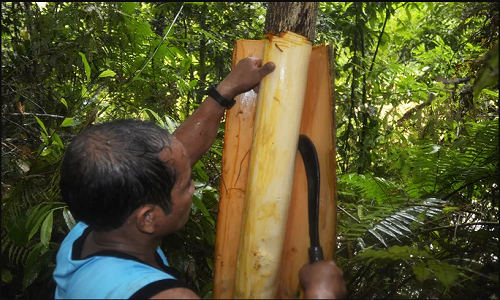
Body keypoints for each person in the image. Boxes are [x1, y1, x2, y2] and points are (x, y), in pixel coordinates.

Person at [53, 57, 346, 299]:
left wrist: (225, 90)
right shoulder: (167, 297)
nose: (193, 189)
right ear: (148, 219)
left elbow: (174, 156)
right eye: (186, 185)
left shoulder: (92, 227)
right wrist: (321, 294)